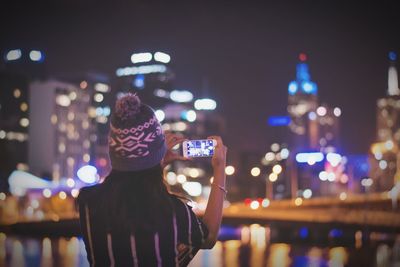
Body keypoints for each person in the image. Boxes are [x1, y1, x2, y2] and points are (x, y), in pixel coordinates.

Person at [77, 93, 227, 267]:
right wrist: (220, 168)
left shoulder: (88, 203)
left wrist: (157, 161)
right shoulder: (173, 211)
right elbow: (207, 238)